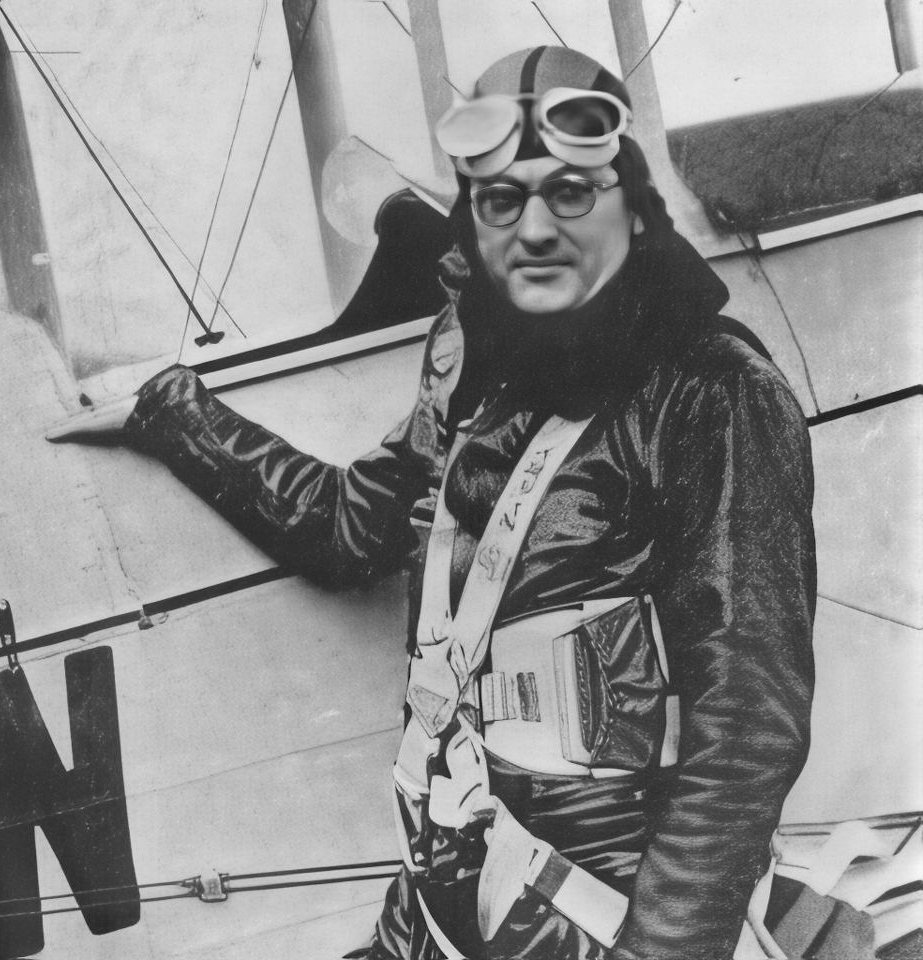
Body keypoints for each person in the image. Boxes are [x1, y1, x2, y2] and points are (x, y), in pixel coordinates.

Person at [51, 46, 816, 960]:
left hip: (606, 927)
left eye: (571, 191)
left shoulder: (711, 394)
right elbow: (348, 527)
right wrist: (173, 413)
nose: (534, 229)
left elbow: (743, 743)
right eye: (501, 200)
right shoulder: (480, 378)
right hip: (440, 919)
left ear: (630, 206)